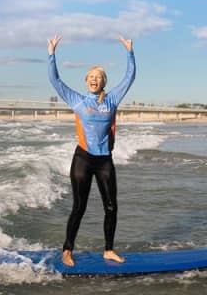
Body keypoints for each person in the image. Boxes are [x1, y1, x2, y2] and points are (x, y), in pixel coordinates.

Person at [47, 35, 136, 266]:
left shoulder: (112, 99)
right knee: (79, 206)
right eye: (91, 77)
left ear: (103, 82)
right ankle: (67, 250)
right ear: (86, 81)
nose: (94, 80)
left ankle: (108, 250)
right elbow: (55, 81)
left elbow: (130, 77)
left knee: (111, 206)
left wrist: (129, 52)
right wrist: (51, 55)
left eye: (98, 77)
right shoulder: (77, 100)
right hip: (83, 159)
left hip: (104, 161)